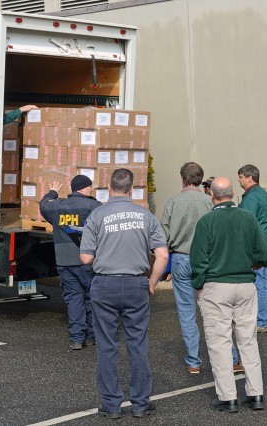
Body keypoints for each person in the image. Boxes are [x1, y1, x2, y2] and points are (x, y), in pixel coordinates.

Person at [80, 168, 168, 419]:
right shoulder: (145, 215)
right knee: (137, 344)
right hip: (135, 285)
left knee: (107, 346)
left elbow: (86, 258)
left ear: (109, 189)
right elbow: (162, 255)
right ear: (131, 190)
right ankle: (141, 403)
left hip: (104, 285)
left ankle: (111, 404)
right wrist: (152, 282)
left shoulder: (97, 215)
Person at [190, 177, 267, 413]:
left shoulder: (206, 222)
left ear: (212, 196)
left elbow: (198, 260)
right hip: (245, 285)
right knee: (248, 341)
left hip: (216, 286)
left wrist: (199, 284)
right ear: (233, 194)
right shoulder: (248, 218)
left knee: (220, 342)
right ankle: (255, 394)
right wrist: (253, 263)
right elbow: (264, 252)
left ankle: (228, 398)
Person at [160, 163, 242, 374]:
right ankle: (232, 358)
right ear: (200, 179)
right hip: (207, 259)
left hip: (180, 258)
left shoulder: (173, 202)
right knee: (216, 310)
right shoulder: (209, 201)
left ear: (183, 179)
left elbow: (164, 236)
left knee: (186, 311)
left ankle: (193, 360)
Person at [39, 175, 102, 350]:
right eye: (90, 187)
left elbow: (44, 205)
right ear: (83, 188)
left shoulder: (57, 206)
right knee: (90, 297)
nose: (92, 190)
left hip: (65, 261)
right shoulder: (94, 206)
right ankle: (90, 336)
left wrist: (52, 192)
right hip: (88, 261)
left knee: (74, 299)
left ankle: (76, 339)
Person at [237, 164, 267, 333]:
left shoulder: (251, 198)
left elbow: (245, 223)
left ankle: (261, 320)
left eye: (240, 177)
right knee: (263, 282)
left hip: (256, 244)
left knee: (257, 283)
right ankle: (264, 319)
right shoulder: (266, 195)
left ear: (249, 178)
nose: (239, 180)